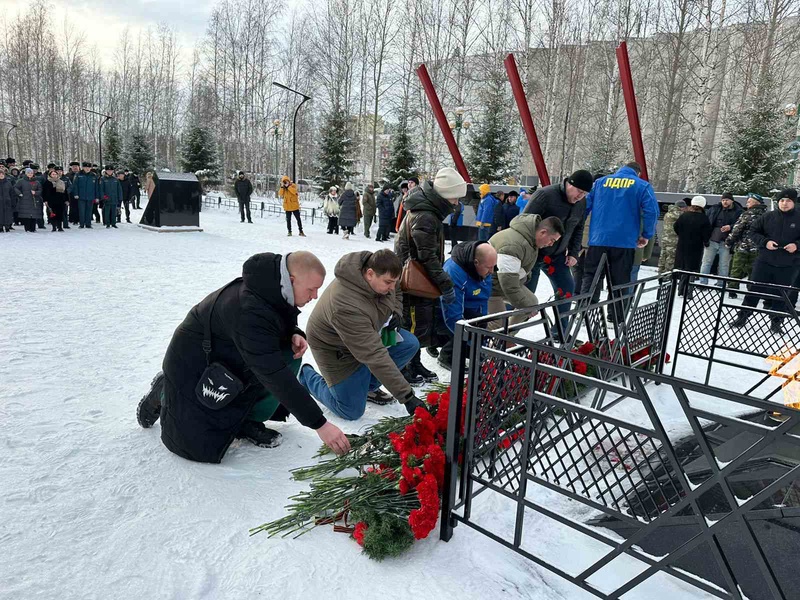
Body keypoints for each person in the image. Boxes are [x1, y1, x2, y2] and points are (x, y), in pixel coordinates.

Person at [136, 251, 350, 462]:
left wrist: (293, 332)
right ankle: (166, 390)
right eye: (311, 289)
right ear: (292, 280)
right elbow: (273, 374)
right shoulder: (249, 309)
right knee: (197, 447)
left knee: (287, 354)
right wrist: (320, 424)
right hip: (193, 362)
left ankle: (248, 420)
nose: (315, 296)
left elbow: (276, 319)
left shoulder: (274, 286)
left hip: (230, 354)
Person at [299, 250, 426, 420]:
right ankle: (307, 377)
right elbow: (374, 354)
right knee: (351, 411)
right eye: (388, 282)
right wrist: (407, 397)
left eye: (393, 282)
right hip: (335, 348)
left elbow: (397, 290)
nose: (391, 288)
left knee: (409, 343)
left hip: (368, 334)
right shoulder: (346, 305)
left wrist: (395, 311)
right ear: (370, 274)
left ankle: (366, 388)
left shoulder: (383, 273)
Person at [395, 167, 467, 384]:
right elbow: (427, 257)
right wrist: (445, 284)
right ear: (445, 194)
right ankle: (405, 366)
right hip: (414, 281)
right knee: (413, 324)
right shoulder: (426, 216)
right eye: (455, 197)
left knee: (420, 323)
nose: (457, 203)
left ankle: (414, 362)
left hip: (421, 279)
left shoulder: (428, 211)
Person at [580, 161, 658, 324]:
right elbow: (651, 212)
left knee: (591, 276)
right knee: (620, 281)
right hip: (625, 242)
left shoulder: (600, 182)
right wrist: (646, 235)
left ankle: (586, 311)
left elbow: (584, 206)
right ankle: (615, 317)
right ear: (638, 173)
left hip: (598, 240)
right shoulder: (642, 186)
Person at [523, 170, 592, 328]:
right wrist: (525, 251)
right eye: (579, 192)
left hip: (557, 255)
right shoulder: (545, 195)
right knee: (526, 295)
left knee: (567, 288)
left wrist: (574, 253)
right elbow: (523, 222)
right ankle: (504, 333)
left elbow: (578, 228)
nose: (581, 196)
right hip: (533, 253)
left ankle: (561, 332)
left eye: (585, 193)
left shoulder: (581, 203)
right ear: (570, 184)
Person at [731, 189, 800, 333]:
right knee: (754, 289)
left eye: (788, 201)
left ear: (794, 202)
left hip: (787, 264)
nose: (784, 203)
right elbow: (752, 232)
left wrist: (796, 245)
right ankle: (742, 316)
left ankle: (776, 322)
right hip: (764, 261)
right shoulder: (768, 216)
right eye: (782, 200)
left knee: (781, 294)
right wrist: (765, 242)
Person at [487, 215, 564, 327]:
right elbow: (509, 285)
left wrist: (528, 306)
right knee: (498, 323)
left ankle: (506, 339)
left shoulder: (530, 240)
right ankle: (475, 341)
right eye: (552, 240)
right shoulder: (514, 245)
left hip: (501, 283)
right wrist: (526, 307)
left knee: (532, 303)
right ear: (543, 232)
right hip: (490, 286)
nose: (551, 244)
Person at [436, 241, 498, 369]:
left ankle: (469, 348)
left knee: (479, 321)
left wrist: (481, 339)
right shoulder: (454, 272)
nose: (492, 271)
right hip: (441, 309)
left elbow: (483, 299)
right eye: (489, 267)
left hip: (468, 305)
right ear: (476, 262)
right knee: (464, 325)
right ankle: (447, 355)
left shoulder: (484, 268)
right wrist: (470, 339)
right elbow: (452, 314)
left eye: (494, 267)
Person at [725, 193, 767, 298]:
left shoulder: (747, 214)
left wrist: (729, 241)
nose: (747, 204)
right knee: (753, 270)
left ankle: (732, 290)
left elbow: (737, 229)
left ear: (755, 203)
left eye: (749, 202)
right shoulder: (766, 215)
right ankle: (751, 291)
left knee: (737, 269)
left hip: (743, 246)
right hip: (758, 248)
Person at [699, 192, 743, 285]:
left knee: (724, 265)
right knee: (706, 262)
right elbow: (707, 222)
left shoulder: (738, 211)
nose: (724, 202)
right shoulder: (715, 209)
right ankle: (702, 282)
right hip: (712, 240)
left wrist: (730, 227)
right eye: (723, 200)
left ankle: (721, 284)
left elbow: (741, 225)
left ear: (732, 200)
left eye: (726, 200)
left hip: (727, 242)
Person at [673, 196, 712, 296]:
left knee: (683, 268)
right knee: (692, 270)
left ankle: (680, 289)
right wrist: (706, 242)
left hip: (682, 245)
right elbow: (706, 234)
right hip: (696, 247)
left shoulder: (684, 216)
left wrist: (682, 235)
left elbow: (676, 227)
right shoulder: (704, 218)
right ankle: (688, 291)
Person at [657, 199, 687, 274]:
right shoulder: (680, 215)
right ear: (681, 207)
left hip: (665, 238)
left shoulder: (668, 213)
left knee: (663, 256)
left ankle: (660, 273)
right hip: (673, 240)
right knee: (671, 259)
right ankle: (667, 276)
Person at [14, 168, 42, 233]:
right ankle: (27, 228)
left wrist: (36, 193)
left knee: (34, 215)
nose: (30, 174)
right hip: (24, 200)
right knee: (26, 215)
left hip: (34, 201)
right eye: (28, 173)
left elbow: (40, 190)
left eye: (31, 173)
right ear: (26, 174)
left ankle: (33, 228)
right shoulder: (21, 181)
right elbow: (15, 187)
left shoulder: (36, 182)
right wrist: (20, 194)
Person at [72, 161, 98, 229]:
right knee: (81, 211)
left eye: (89, 167)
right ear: (83, 167)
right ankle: (82, 224)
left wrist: (97, 196)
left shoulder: (94, 175)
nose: (87, 169)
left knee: (89, 211)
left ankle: (88, 224)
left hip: (90, 196)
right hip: (81, 196)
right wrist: (76, 194)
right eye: (86, 167)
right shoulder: (78, 174)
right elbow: (75, 185)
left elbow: (96, 187)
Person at [98, 165, 122, 229]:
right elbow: (101, 189)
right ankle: (107, 223)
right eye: (108, 170)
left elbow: (119, 189)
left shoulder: (115, 179)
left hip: (114, 198)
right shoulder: (103, 179)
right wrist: (103, 197)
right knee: (107, 212)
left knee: (114, 212)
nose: (109, 172)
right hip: (107, 198)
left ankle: (113, 223)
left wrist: (120, 197)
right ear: (106, 171)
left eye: (111, 170)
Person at [0, 168, 16, 232]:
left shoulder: (8, 183)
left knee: (8, 215)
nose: (1, 175)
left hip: (7, 201)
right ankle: (0, 227)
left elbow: (12, 193)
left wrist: (13, 202)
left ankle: (7, 226)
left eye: (2, 174)